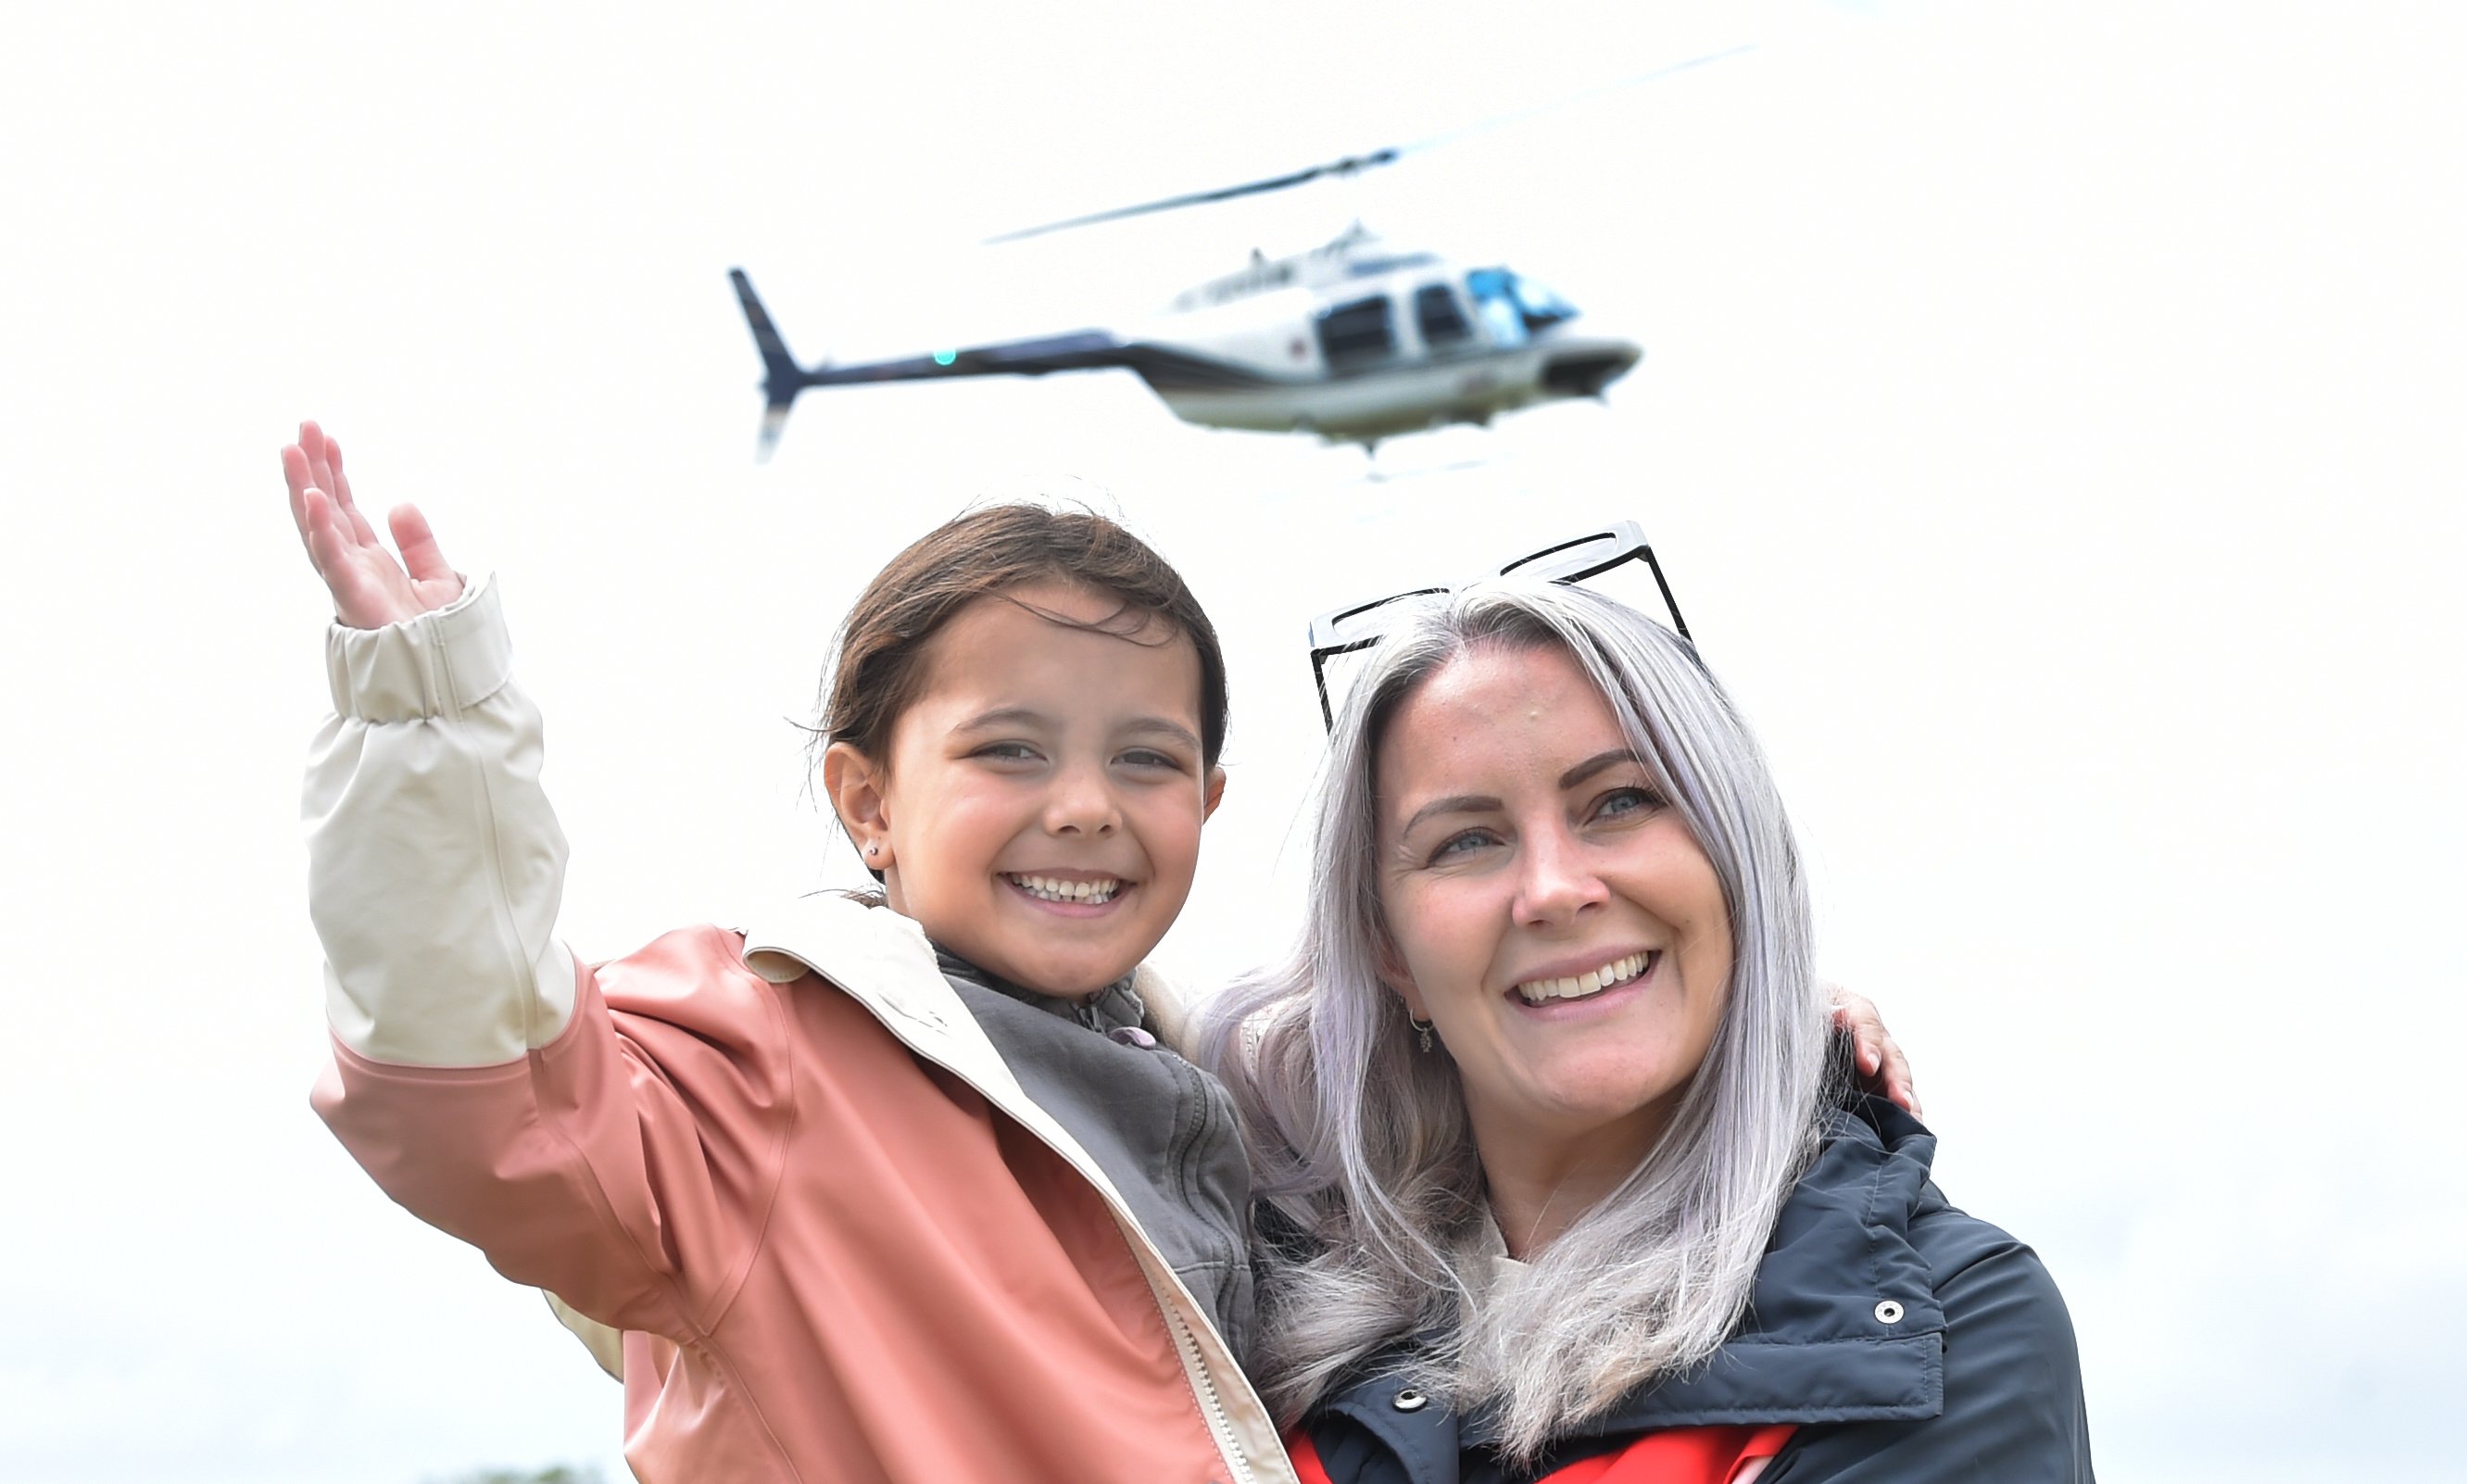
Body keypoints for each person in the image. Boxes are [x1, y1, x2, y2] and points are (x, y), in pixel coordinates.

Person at [283, 421, 1293, 1484]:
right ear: (869, 804)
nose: (1086, 806)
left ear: (1207, 802)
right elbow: (495, 1089)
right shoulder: (758, 1073)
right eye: (1009, 750)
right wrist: (430, 730)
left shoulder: (1233, 1101)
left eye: (1146, 759)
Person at [1199, 572, 2094, 1483]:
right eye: (1464, 840)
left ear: (1733, 861)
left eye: (1619, 802)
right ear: (1389, 953)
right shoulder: (1236, 1312)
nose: (1551, 889)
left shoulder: (1948, 1335)